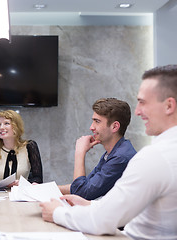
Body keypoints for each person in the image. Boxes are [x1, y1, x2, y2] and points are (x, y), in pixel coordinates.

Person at [40, 65, 177, 239]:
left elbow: (103, 220)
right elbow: (114, 204)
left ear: (169, 106)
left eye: (143, 102)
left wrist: (57, 213)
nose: (137, 111)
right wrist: (91, 205)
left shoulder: (154, 157)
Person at [58, 98, 136, 200]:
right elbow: (86, 185)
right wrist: (47, 189)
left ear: (114, 126)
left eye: (97, 121)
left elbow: (81, 194)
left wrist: (80, 153)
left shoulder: (120, 158)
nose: (91, 127)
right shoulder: (114, 152)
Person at [0, 110, 43, 185]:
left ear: (16, 126)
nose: (1, 127)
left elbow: (38, 178)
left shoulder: (29, 146)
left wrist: (22, 183)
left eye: (6, 123)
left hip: (21, 193)